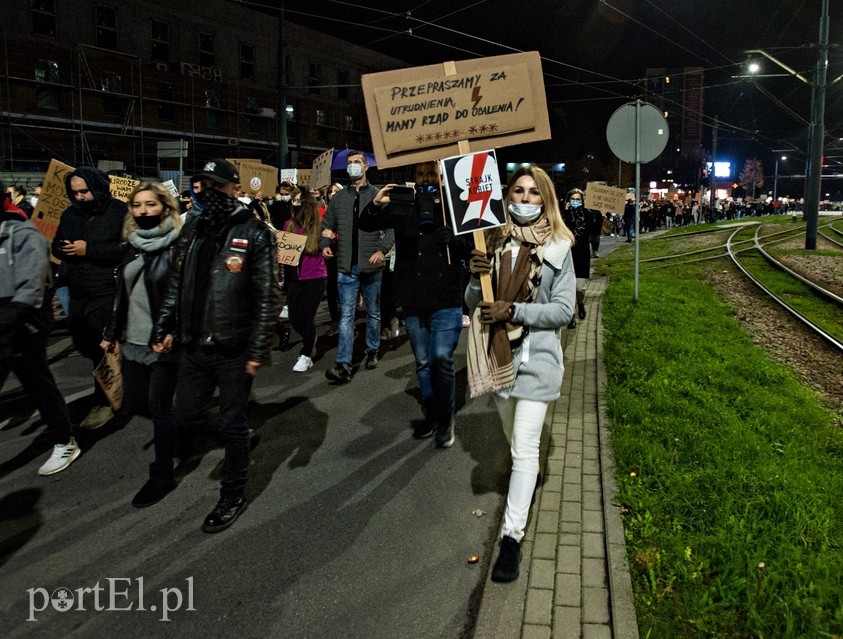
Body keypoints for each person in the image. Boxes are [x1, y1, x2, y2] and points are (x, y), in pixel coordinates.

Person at [152, 158, 281, 533]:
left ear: (233, 189)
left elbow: (268, 295)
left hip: (233, 346)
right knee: (187, 415)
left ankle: (232, 493)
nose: (205, 191)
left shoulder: (256, 233)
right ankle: (234, 436)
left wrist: (258, 349)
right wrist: (165, 324)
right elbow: (176, 283)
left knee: (232, 419)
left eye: (214, 185)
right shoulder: (192, 231)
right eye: (200, 184)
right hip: (193, 345)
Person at [465, 165, 575, 583]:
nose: (525, 199)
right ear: (507, 195)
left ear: (545, 200)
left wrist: (516, 311)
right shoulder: (493, 239)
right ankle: (524, 478)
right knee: (514, 440)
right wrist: (477, 280)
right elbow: (474, 301)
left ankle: (511, 538)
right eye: (518, 191)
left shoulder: (559, 247)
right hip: (498, 358)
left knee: (524, 447)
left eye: (533, 193)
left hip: (538, 359)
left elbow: (563, 310)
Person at [359, 161, 467, 445]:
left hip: (446, 297)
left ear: (440, 174)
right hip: (413, 298)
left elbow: (475, 244)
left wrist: (455, 240)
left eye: (430, 173)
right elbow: (367, 223)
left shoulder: (455, 202)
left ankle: (446, 417)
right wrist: (376, 202)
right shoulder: (403, 202)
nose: (425, 178)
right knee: (422, 362)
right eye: (420, 174)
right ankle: (431, 414)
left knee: (441, 358)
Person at [101, 182, 182, 507]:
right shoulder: (131, 245)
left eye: (150, 204)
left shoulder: (177, 245)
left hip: (162, 340)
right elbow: (122, 295)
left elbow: (182, 295)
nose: (143, 210)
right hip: (132, 339)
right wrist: (111, 330)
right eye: (137, 205)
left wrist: (172, 330)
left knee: (159, 408)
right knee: (135, 403)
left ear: (165, 207)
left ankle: (162, 475)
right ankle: (193, 422)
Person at [0, 184, 79, 476]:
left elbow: (31, 289)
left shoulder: (24, 236)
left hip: (23, 324)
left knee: (39, 385)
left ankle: (64, 441)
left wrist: (10, 318)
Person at [51, 167, 127, 429]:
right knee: (83, 341)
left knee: (100, 348)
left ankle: (105, 401)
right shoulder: (70, 213)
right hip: (77, 290)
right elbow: (55, 245)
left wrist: (88, 249)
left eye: (84, 191)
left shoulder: (119, 212)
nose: (80, 197)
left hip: (107, 290)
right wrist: (63, 248)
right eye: (75, 193)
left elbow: (126, 250)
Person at [320, 151, 393, 382]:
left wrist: (382, 250)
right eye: (349, 163)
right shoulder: (338, 199)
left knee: (372, 312)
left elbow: (391, 229)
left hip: (371, 266)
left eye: (357, 163)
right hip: (345, 266)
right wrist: (324, 243)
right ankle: (343, 365)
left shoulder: (377, 195)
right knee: (346, 316)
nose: (353, 166)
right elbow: (326, 224)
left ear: (366, 166)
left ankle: (372, 350)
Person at [283, 190, 327, 372]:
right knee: (294, 318)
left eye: (299, 201)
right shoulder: (288, 225)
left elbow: (329, 245)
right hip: (294, 278)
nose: (295, 203)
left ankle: (307, 353)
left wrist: (331, 239)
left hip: (315, 276)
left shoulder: (320, 226)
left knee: (307, 317)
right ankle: (311, 338)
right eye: (293, 200)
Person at [562, 188, 592, 328]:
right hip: (567, 255)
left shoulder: (587, 214)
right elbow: (562, 229)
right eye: (572, 199)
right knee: (568, 288)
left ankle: (580, 304)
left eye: (578, 199)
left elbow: (595, 231)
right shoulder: (564, 215)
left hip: (583, 255)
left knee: (580, 288)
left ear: (582, 201)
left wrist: (602, 216)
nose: (575, 202)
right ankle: (571, 316)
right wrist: (566, 213)